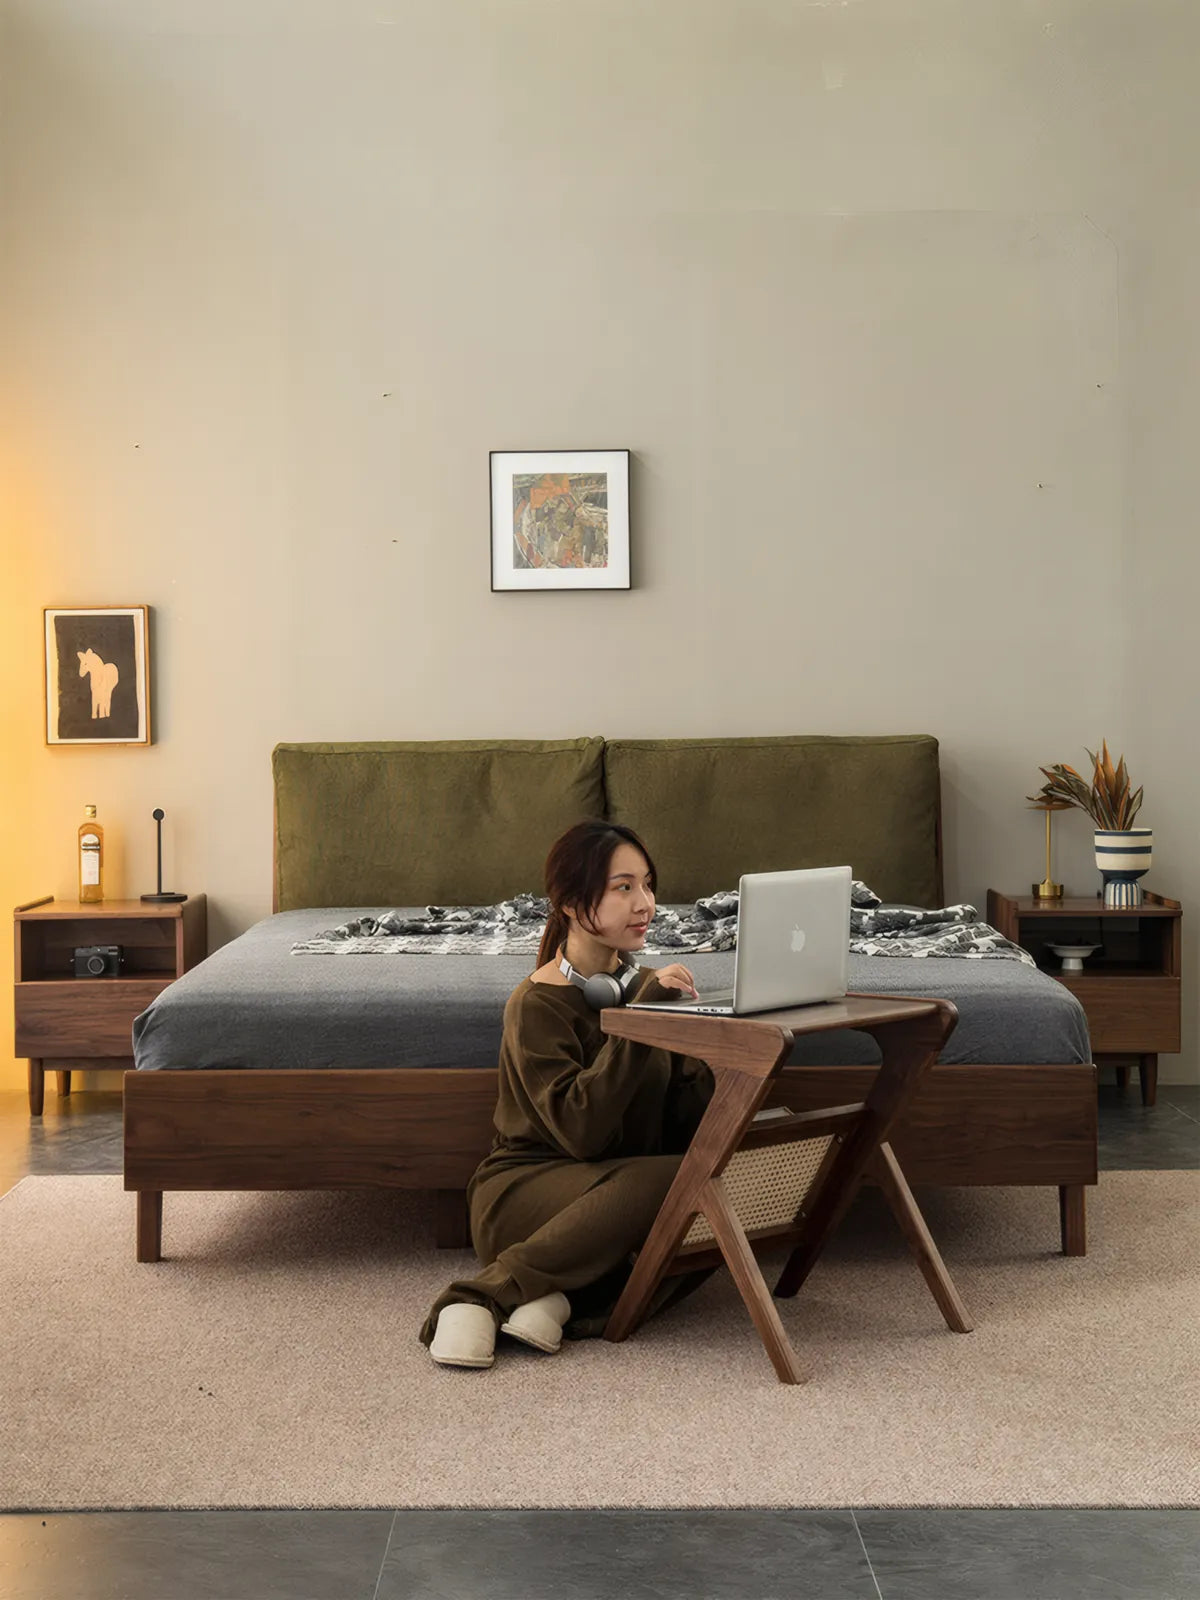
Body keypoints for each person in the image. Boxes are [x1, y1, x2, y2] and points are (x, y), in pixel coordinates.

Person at [420, 818, 715, 1369]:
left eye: (648, 884)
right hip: (526, 1192)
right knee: (689, 1180)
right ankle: (480, 1294)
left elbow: (685, 1127)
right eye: (623, 887)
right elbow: (584, 1133)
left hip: (620, 1193)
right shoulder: (536, 1005)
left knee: (723, 1181)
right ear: (575, 905)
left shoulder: (647, 987)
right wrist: (639, 1022)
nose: (645, 902)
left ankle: (565, 1299)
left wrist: (695, 1046)